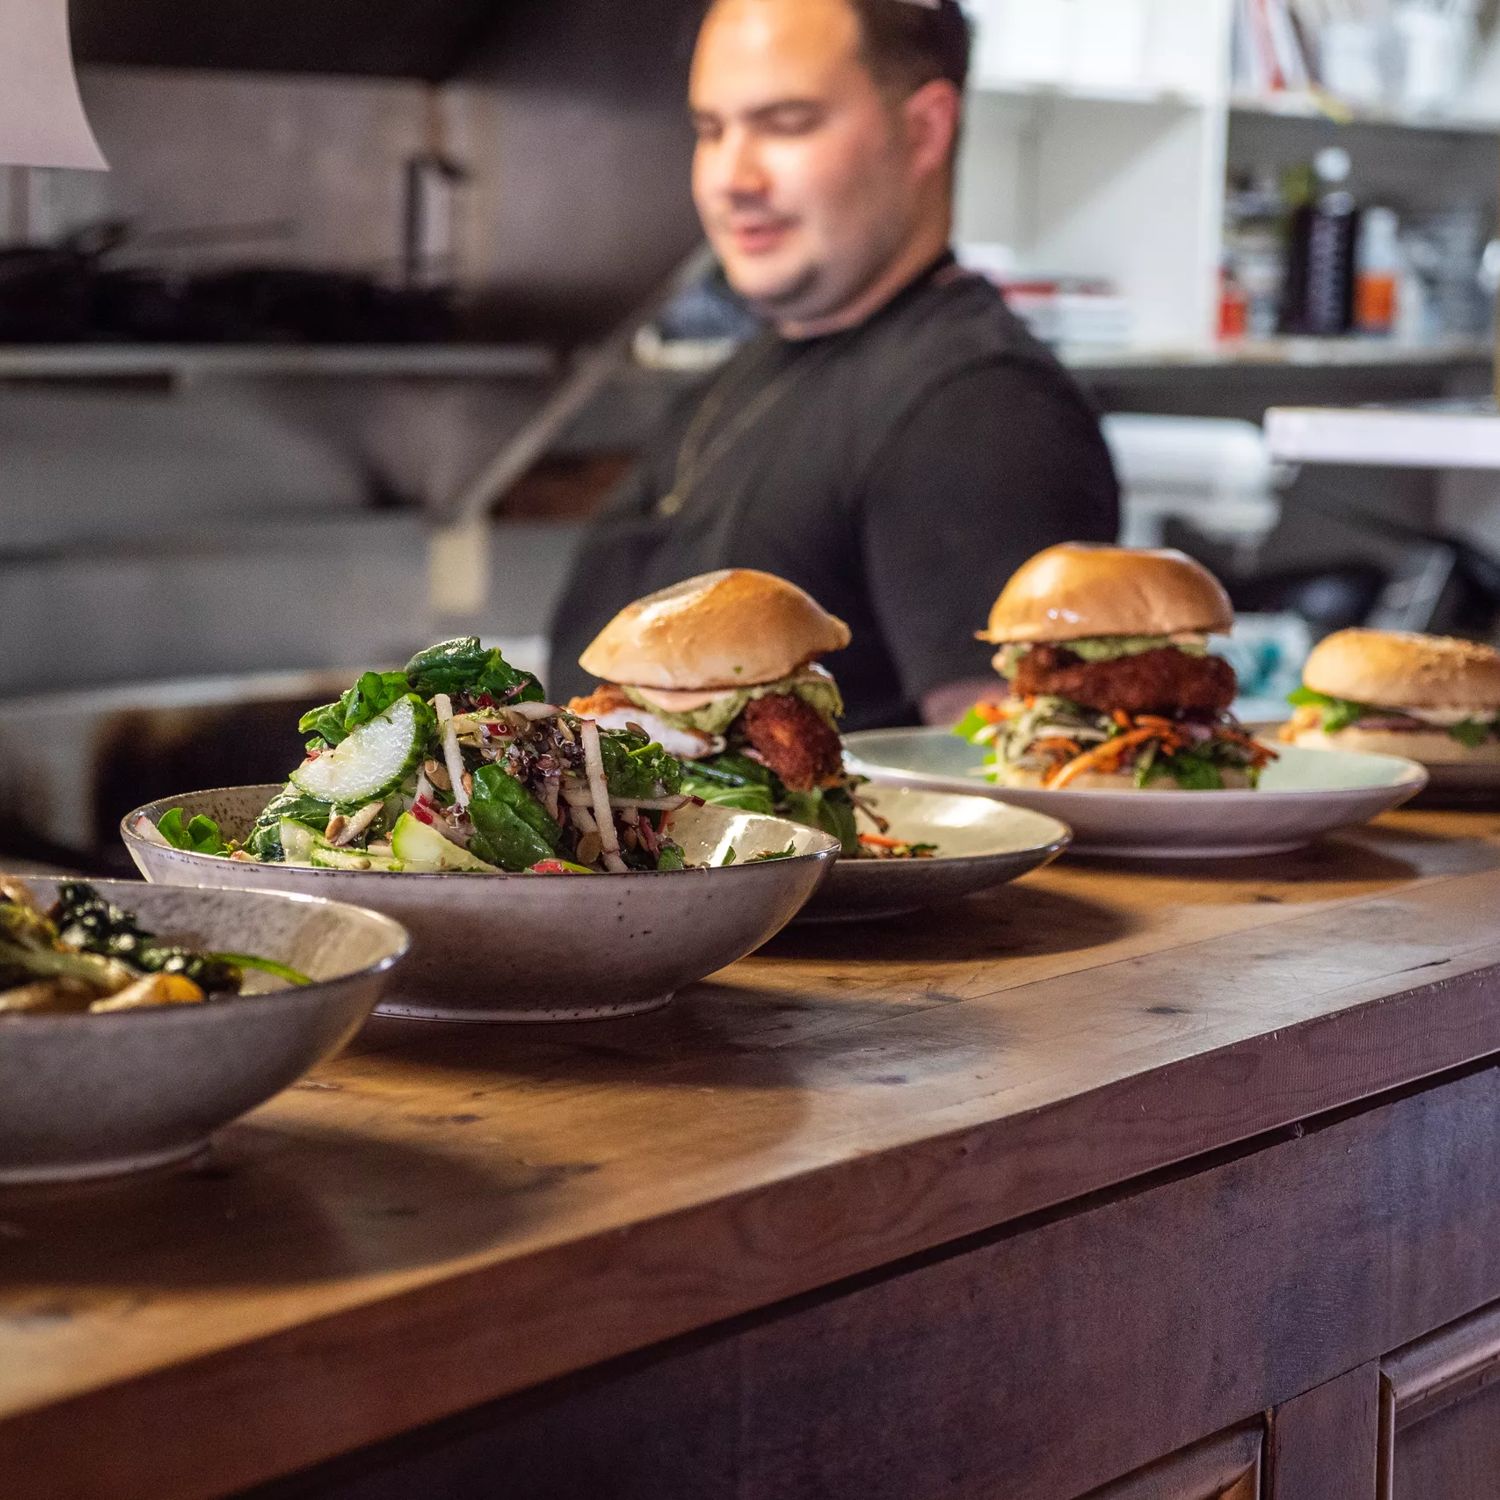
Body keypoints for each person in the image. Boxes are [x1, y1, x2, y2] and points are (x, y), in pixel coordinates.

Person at [548, 0, 1119, 730]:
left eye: (786, 123)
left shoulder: (978, 408)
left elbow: (1014, 781)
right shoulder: (758, 368)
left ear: (924, 131)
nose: (732, 176)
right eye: (711, 130)